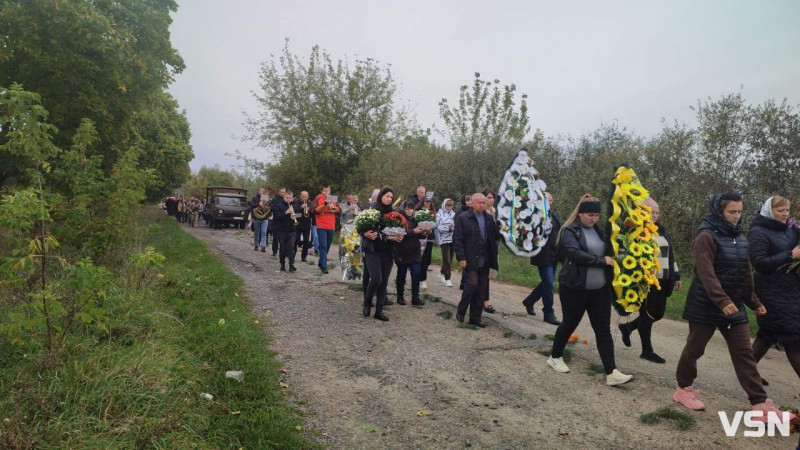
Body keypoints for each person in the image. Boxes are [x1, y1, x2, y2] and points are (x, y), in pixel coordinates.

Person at [673, 192, 794, 419]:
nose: (737, 216)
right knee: (695, 349)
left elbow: (745, 274)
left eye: (739, 211)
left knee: (744, 353)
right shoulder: (705, 236)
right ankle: (683, 389)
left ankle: (758, 404)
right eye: (732, 212)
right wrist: (722, 301)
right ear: (720, 211)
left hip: (734, 306)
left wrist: (754, 302)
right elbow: (705, 273)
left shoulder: (740, 237)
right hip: (707, 305)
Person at [547, 194, 633, 386]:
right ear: (581, 214)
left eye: (596, 215)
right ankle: (555, 356)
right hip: (575, 288)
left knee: (603, 330)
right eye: (590, 215)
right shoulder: (569, 230)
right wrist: (602, 261)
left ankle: (611, 372)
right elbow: (574, 253)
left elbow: (611, 250)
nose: (594, 219)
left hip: (599, 290)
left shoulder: (599, 231)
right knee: (569, 324)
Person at [618, 197, 681, 363]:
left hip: (663, 280)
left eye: (657, 212)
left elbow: (670, 256)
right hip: (645, 281)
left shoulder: (661, 230)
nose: (654, 215)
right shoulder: (635, 230)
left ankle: (628, 327)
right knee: (648, 314)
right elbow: (623, 255)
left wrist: (676, 275)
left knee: (658, 314)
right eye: (651, 212)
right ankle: (647, 350)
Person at [748, 196, 800, 380]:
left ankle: (747, 373)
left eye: (787, 210)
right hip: (771, 292)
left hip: (792, 291)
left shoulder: (792, 229)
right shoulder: (758, 232)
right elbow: (760, 263)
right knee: (794, 338)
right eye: (780, 210)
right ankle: (747, 374)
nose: (785, 214)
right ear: (770, 211)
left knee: (766, 335)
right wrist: (791, 255)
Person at [453, 193, 499, 328]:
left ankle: (475, 317)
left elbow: (494, 238)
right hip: (470, 257)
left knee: (481, 288)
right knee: (472, 283)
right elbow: (457, 239)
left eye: (483, 203)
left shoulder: (489, 219)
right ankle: (461, 310)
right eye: (478, 202)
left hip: (485, 259)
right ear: (472, 203)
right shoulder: (463, 218)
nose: (481, 205)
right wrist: (461, 257)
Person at [522, 192, 562, 325]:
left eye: (551, 200)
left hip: (554, 254)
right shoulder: (535, 215)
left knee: (546, 283)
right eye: (546, 200)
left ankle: (529, 301)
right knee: (549, 283)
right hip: (542, 255)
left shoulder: (554, 215)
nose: (549, 202)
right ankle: (548, 313)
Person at [362, 187, 402, 321]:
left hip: (388, 250)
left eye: (391, 197)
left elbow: (399, 229)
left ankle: (379, 311)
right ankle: (367, 301)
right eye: (387, 196)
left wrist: (399, 236)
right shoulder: (371, 209)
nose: (389, 199)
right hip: (373, 249)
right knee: (376, 279)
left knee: (384, 281)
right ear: (381, 196)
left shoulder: (394, 212)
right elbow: (360, 226)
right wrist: (365, 233)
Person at [394, 200, 426, 307]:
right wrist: (413, 231)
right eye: (407, 208)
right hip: (402, 251)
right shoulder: (399, 219)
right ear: (404, 209)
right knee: (401, 275)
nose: (409, 211)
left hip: (415, 251)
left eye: (411, 208)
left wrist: (425, 231)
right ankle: (400, 296)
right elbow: (399, 232)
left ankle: (415, 297)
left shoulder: (417, 219)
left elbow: (420, 235)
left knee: (416, 274)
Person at [314, 185, 341, 274]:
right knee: (323, 246)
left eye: (328, 191)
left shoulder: (333, 199)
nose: (326, 193)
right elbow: (315, 211)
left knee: (328, 246)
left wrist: (334, 208)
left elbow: (339, 211)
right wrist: (325, 203)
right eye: (325, 191)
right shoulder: (318, 199)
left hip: (331, 225)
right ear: (322, 191)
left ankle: (321, 262)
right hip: (321, 225)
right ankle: (324, 267)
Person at [271, 190, 298, 272]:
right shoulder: (279, 205)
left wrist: (295, 215)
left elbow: (299, 216)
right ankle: (282, 264)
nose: (289, 199)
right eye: (287, 198)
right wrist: (286, 213)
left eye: (290, 198)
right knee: (282, 248)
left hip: (292, 229)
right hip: (281, 230)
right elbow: (277, 217)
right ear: (284, 197)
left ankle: (291, 265)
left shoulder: (295, 205)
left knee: (291, 248)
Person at [481, 188, 498, 314]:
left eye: (492, 198)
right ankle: (485, 301)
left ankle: (483, 299)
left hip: (493, 245)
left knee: (488, 275)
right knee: (483, 275)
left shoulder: (495, 212)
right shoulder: (480, 212)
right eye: (489, 197)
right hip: (482, 246)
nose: (491, 200)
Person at [436, 198, 456, 287]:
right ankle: (448, 278)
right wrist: (448, 229)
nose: (449, 207)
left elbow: (457, 224)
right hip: (443, 239)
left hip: (453, 239)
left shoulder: (454, 214)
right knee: (446, 260)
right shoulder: (439, 214)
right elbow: (438, 227)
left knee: (450, 259)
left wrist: (455, 228)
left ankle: (441, 273)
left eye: (450, 205)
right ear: (444, 205)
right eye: (447, 205)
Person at [418, 196, 436, 290]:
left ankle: (421, 277)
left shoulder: (432, 212)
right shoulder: (419, 211)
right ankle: (422, 280)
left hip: (429, 238)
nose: (428, 203)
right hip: (421, 238)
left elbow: (435, 224)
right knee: (422, 259)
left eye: (429, 202)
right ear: (423, 202)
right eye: (426, 201)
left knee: (428, 259)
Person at [457, 194, 472, 290]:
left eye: (470, 200)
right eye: (467, 200)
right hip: (463, 241)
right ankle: (464, 282)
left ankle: (464, 282)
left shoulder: (474, 212)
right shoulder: (460, 213)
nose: (469, 202)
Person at [293, 191, 313, 262]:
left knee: (306, 241)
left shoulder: (310, 203)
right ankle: (293, 255)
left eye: (306, 197)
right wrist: (301, 209)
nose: (304, 198)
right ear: (300, 196)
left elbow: (313, 215)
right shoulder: (296, 203)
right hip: (298, 224)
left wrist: (309, 210)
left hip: (307, 225)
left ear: (308, 196)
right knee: (296, 240)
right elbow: (294, 215)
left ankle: (304, 257)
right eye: (303, 197)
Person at [270, 187, 286, 256]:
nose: (283, 193)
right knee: (275, 237)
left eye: (284, 192)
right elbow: (272, 208)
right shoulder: (275, 199)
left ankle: (283, 251)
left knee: (284, 237)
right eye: (282, 192)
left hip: (284, 221)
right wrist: (279, 208)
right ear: (279, 192)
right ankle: (274, 251)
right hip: (276, 220)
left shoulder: (286, 199)